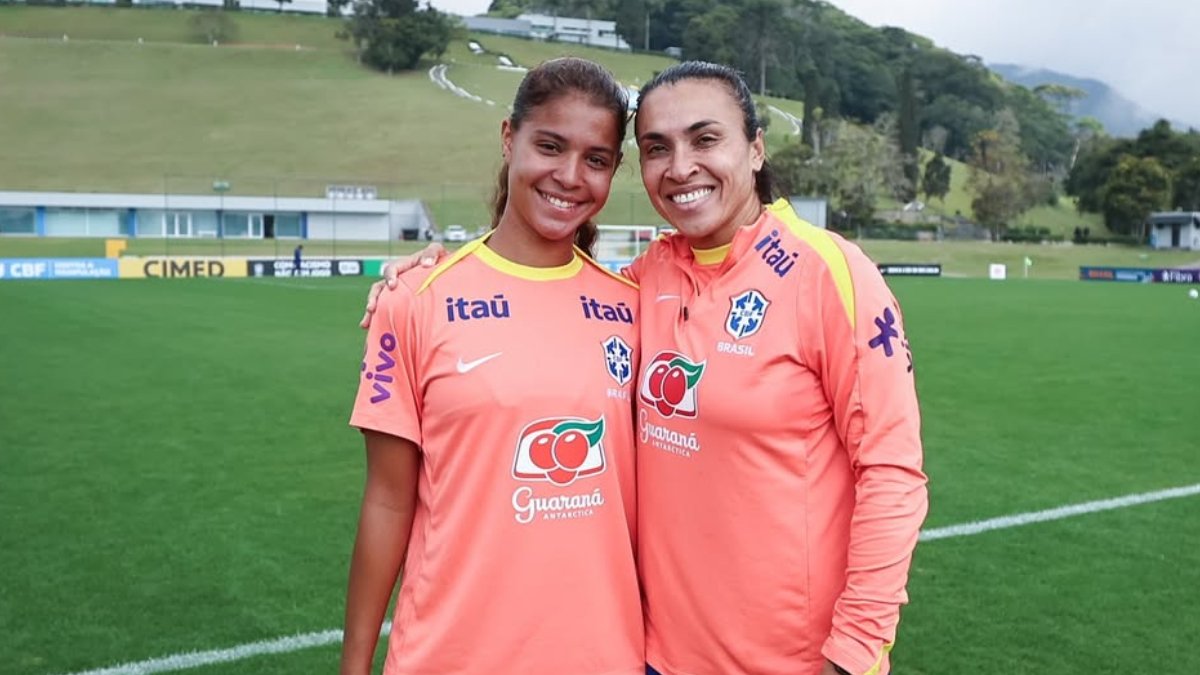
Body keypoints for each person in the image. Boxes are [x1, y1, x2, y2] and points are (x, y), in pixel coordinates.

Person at [365, 61, 927, 675]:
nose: (681, 166)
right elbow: (540, 294)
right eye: (658, 148)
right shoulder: (642, 283)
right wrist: (433, 273)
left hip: (792, 662)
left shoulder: (831, 274)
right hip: (654, 656)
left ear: (756, 148)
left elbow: (893, 472)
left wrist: (853, 653)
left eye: (705, 139)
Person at [342, 57, 643, 675]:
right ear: (509, 138)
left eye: (597, 159)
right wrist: (354, 666)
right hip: (449, 656)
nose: (569, 176)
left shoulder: (636, 307)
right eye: (550, 146)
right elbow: (387, 503)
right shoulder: (415, 299)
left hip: (603, 656)